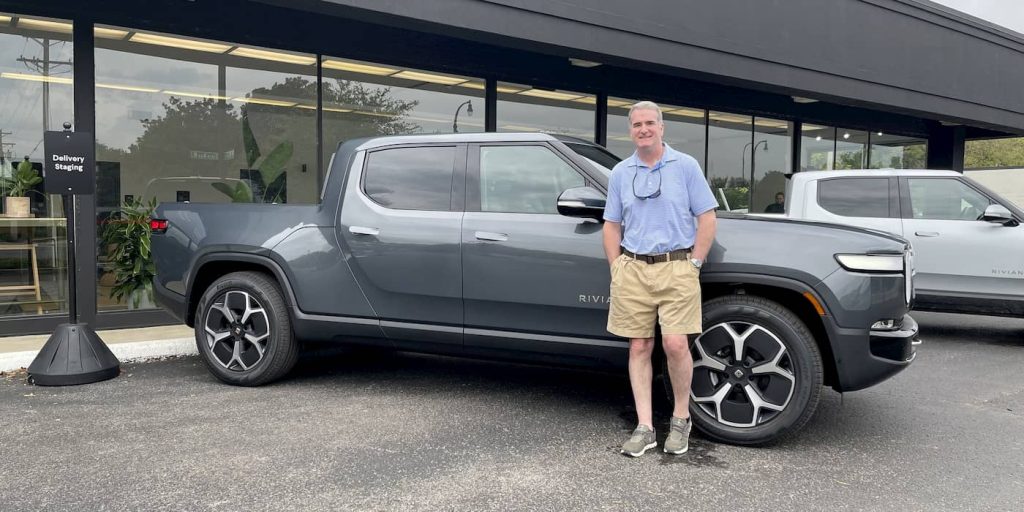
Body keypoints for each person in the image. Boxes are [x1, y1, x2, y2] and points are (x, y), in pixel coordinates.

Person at [603, 101, 718, 457]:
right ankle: (645, 427)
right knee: (639, 346)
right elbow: (611, 224)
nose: (644, 129)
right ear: (630, 130)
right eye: (637, 124)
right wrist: (616, 267)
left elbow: (707, 217)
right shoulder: (621, 172)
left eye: (650, 123)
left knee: (676, 344)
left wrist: (694, 263)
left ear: (662, 127)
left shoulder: (685, 166)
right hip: (633, 268)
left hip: (677, 265)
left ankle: (681, 419)